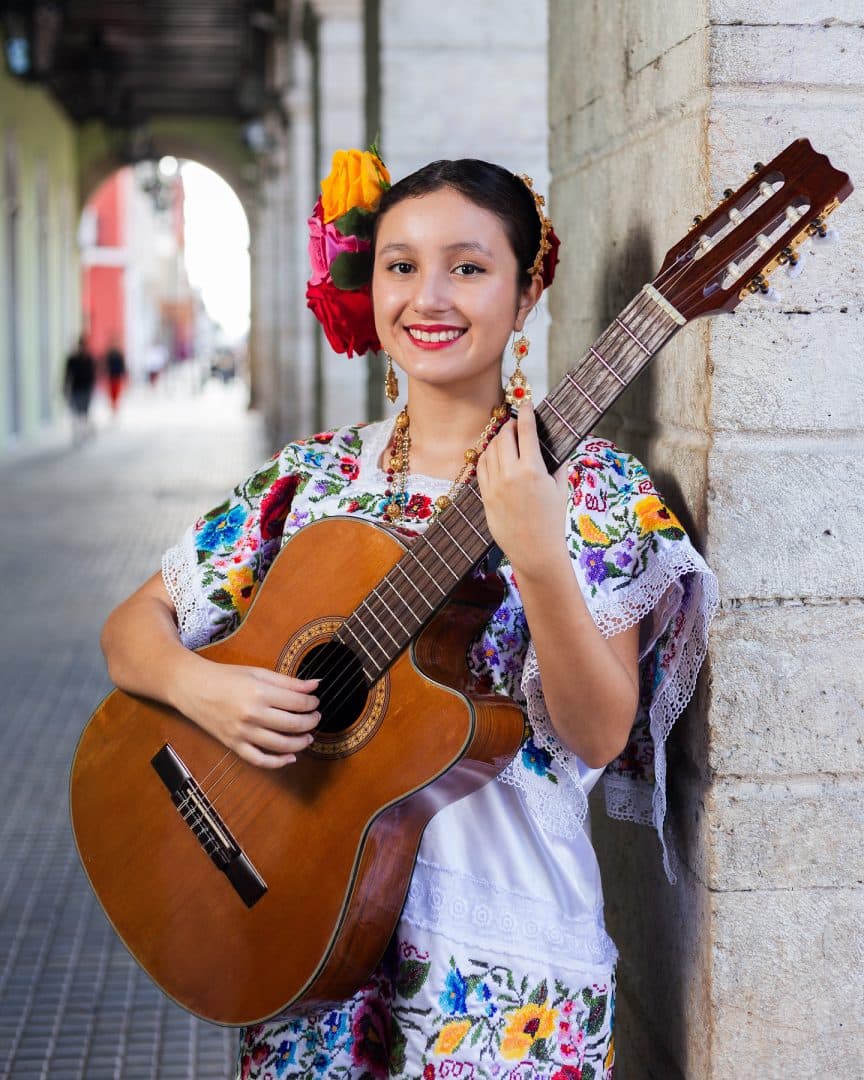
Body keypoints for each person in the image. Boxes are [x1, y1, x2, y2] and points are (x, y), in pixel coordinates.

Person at [101, 149, 717, 1078]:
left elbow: (596, 735)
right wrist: (207, 691)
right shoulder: (310, 480)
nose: (429, 297)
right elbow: (131, 631)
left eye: (468, 267)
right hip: (304, 952)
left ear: (525, 292)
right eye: (401, 265)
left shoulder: (591, 487)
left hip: (504, 979)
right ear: (369, 284)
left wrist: (539, 554)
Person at [64, 334, 96, 442]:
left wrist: (92, 388)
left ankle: (85, 433)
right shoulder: (72, 359)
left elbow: (93, 375)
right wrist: (65, 388)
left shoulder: (89, 359)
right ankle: (78, 434)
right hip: (76, 389)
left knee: (85, 413)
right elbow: (67, 375)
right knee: (76, 413)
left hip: (86, 389)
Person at [104, 338, 127, 413]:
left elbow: (122, 366)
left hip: (117, 376)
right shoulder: (109, 354)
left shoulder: (119, 354)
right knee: (112, 393)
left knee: (116, 392)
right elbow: (106, 365)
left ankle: (115, 406)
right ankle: (113, 406)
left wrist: (124, 374)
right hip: (111, 376)